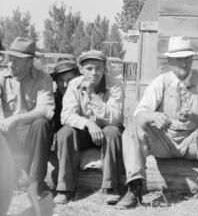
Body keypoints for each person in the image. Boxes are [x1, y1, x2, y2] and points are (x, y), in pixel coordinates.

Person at [116, 36, 198, 209]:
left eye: (187, 59)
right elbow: (139, 114)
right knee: (132, 129)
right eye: (179, 59)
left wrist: (194, 116)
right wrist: (154, 117)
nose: (184, 64)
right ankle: (135, 188)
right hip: (164, 141)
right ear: (169, 61)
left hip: (192, 142)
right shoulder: (161, 81)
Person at [53, 50, 124, 205]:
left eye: (98, 68)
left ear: (104, 68)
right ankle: (65, 188)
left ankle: (111, 187)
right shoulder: (74, 84)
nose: (94, 73)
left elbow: (114, 118)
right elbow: (66, 115)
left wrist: (92, 95)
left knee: (112, 132)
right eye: (89, 69)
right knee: (65, 132)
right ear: (81, 69)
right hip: (85, 133)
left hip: (106, 131)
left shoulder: (115, 85)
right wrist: (88, 123)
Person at [0, 37, 55, 195]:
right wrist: (3, 121)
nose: (11, 64)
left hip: (30, 132)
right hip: (6, 132)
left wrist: (17, 118)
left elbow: (45, 109)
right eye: (10, 59)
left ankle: (35, 184)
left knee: (42, 124)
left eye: (16, 61)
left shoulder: (43, 78)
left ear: (30, 63)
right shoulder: (1, 77)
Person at [50, 59, 81, 134]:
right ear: (56, 82)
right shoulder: (52, 102)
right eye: (61, 80)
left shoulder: (86, 98)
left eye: (70, 80)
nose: (65, 85)